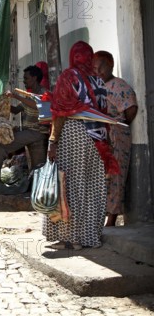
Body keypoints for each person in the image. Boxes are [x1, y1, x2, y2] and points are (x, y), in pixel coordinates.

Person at [45, 41, 118, 250]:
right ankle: (89, 237)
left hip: (74, 135)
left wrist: (53, 141)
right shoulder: (99, 81)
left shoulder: (69, 77)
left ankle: (71, 239)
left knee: (69, 187)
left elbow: (58, 112)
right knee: (93, 188)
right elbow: (104, 112)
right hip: (98, 140)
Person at [93, 50, 138, 227]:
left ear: (110, 65)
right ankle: (101, 217)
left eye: (101, 67)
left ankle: (111, 220)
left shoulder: (120, 86)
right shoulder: (97, 86)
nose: (98, 71)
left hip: (117, 137)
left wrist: (118, 126)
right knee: (103, 178)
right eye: (95, 68)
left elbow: (131, 109)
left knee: (116, 178)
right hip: (102, 137)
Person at [0, 65, 50, 186]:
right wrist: (2, 102)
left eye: (26, 78)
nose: (24, 81)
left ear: (34, 78)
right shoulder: (29, 95)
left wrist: (15, 96)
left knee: (1, 147)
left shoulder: (43, 93)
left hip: (37, 132)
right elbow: (16, 110)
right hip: (27, 131)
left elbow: (36, 105)